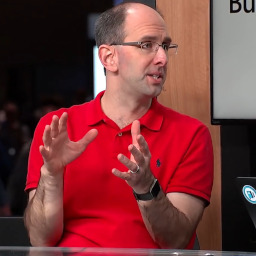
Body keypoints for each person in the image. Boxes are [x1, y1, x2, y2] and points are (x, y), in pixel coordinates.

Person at [24, 2, 214, 249]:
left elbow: (176, 241)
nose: (163, 58)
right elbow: (40, 240)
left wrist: (147, 187)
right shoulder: (57, 127)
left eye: (165, 46)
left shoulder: (191, 134)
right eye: (147, 45)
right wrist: (50, 176)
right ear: (108, 57)